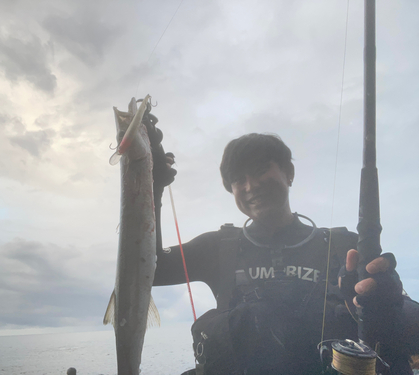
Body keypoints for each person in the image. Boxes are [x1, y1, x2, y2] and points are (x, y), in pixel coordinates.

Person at [148, 131, 419, 375]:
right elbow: (150, 270)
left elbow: (405, 324)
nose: (250, 185)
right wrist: (149, 185)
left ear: (289, 172)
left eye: (259, 170)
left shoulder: (344, 246)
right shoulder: (217, 247)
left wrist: (389, 302)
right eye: (237, 180)